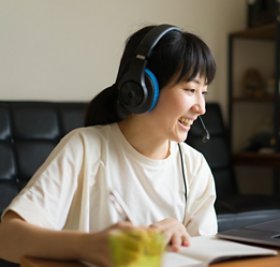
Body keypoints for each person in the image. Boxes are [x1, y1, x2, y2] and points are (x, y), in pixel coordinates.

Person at [0, 24, 218, 267]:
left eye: (204, 92)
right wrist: (89, 246)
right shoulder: (84, 148)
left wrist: (184, 238)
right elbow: (7, 238)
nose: (201, 107)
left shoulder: (194, 166)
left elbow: (209, 257)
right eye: (190, 90)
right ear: (142, 88)